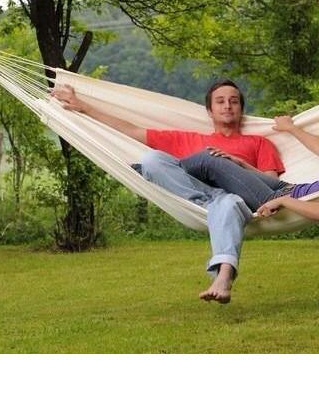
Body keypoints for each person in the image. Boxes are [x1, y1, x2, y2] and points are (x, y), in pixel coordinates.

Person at [50, 79, 285, 304]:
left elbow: (269, 184)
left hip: (237, 197)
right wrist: (83, 107)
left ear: (241, 109)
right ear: (210, 111)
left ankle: (223, 276)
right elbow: (131, 131)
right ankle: (209, 206)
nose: (227, 105)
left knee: (228, 202)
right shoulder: (188, 139)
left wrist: (238, 164)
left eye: (234, 101)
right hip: (198, 194)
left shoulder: (259, 143)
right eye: (220, 101)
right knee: (153, 160)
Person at [179, 96, 319, 223]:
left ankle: (156, 167)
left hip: (277, 197)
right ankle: (160, 167)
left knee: (210, 160)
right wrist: (291, 128)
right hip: (289, 188)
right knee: (225, 159)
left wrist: (283, 202)